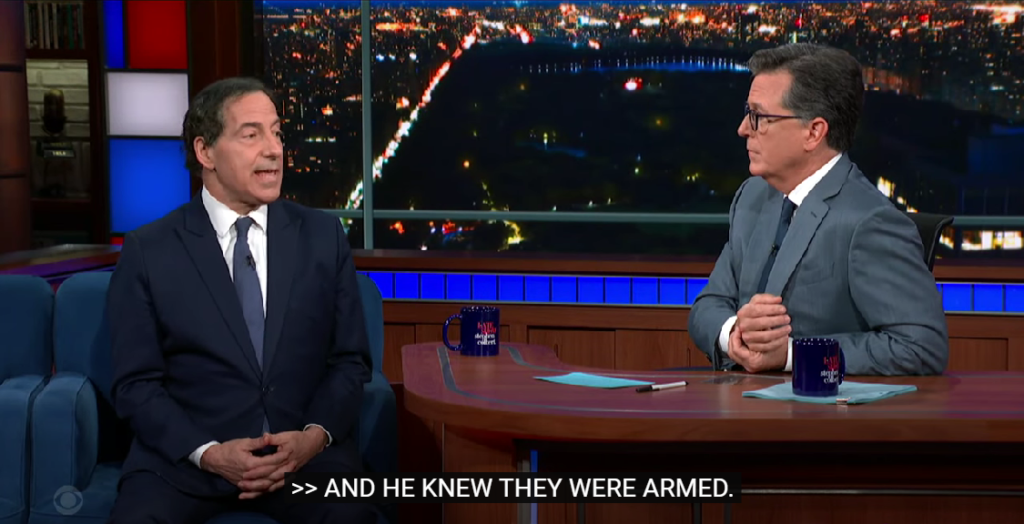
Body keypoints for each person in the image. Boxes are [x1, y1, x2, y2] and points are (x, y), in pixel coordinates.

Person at [107, 77, 375, 523]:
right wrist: (208, 453)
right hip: (186, 466)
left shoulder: (322, 237)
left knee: (352, 516)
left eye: (277, 133)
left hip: (302, 461)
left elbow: (350, 362)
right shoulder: (149, 251)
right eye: (251, 135)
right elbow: (135, 384)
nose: (274, 149)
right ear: (205, 152)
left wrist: (311, 439)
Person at [688, 43, 949, 376]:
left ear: (813, 132)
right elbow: (707, 308)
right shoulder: (752, 197)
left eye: (759, 117)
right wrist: (735, 332)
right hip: (743, 402)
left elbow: (920, 347)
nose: (743, 128)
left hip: (820, 406)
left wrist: (790, 355)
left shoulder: (870, 222)